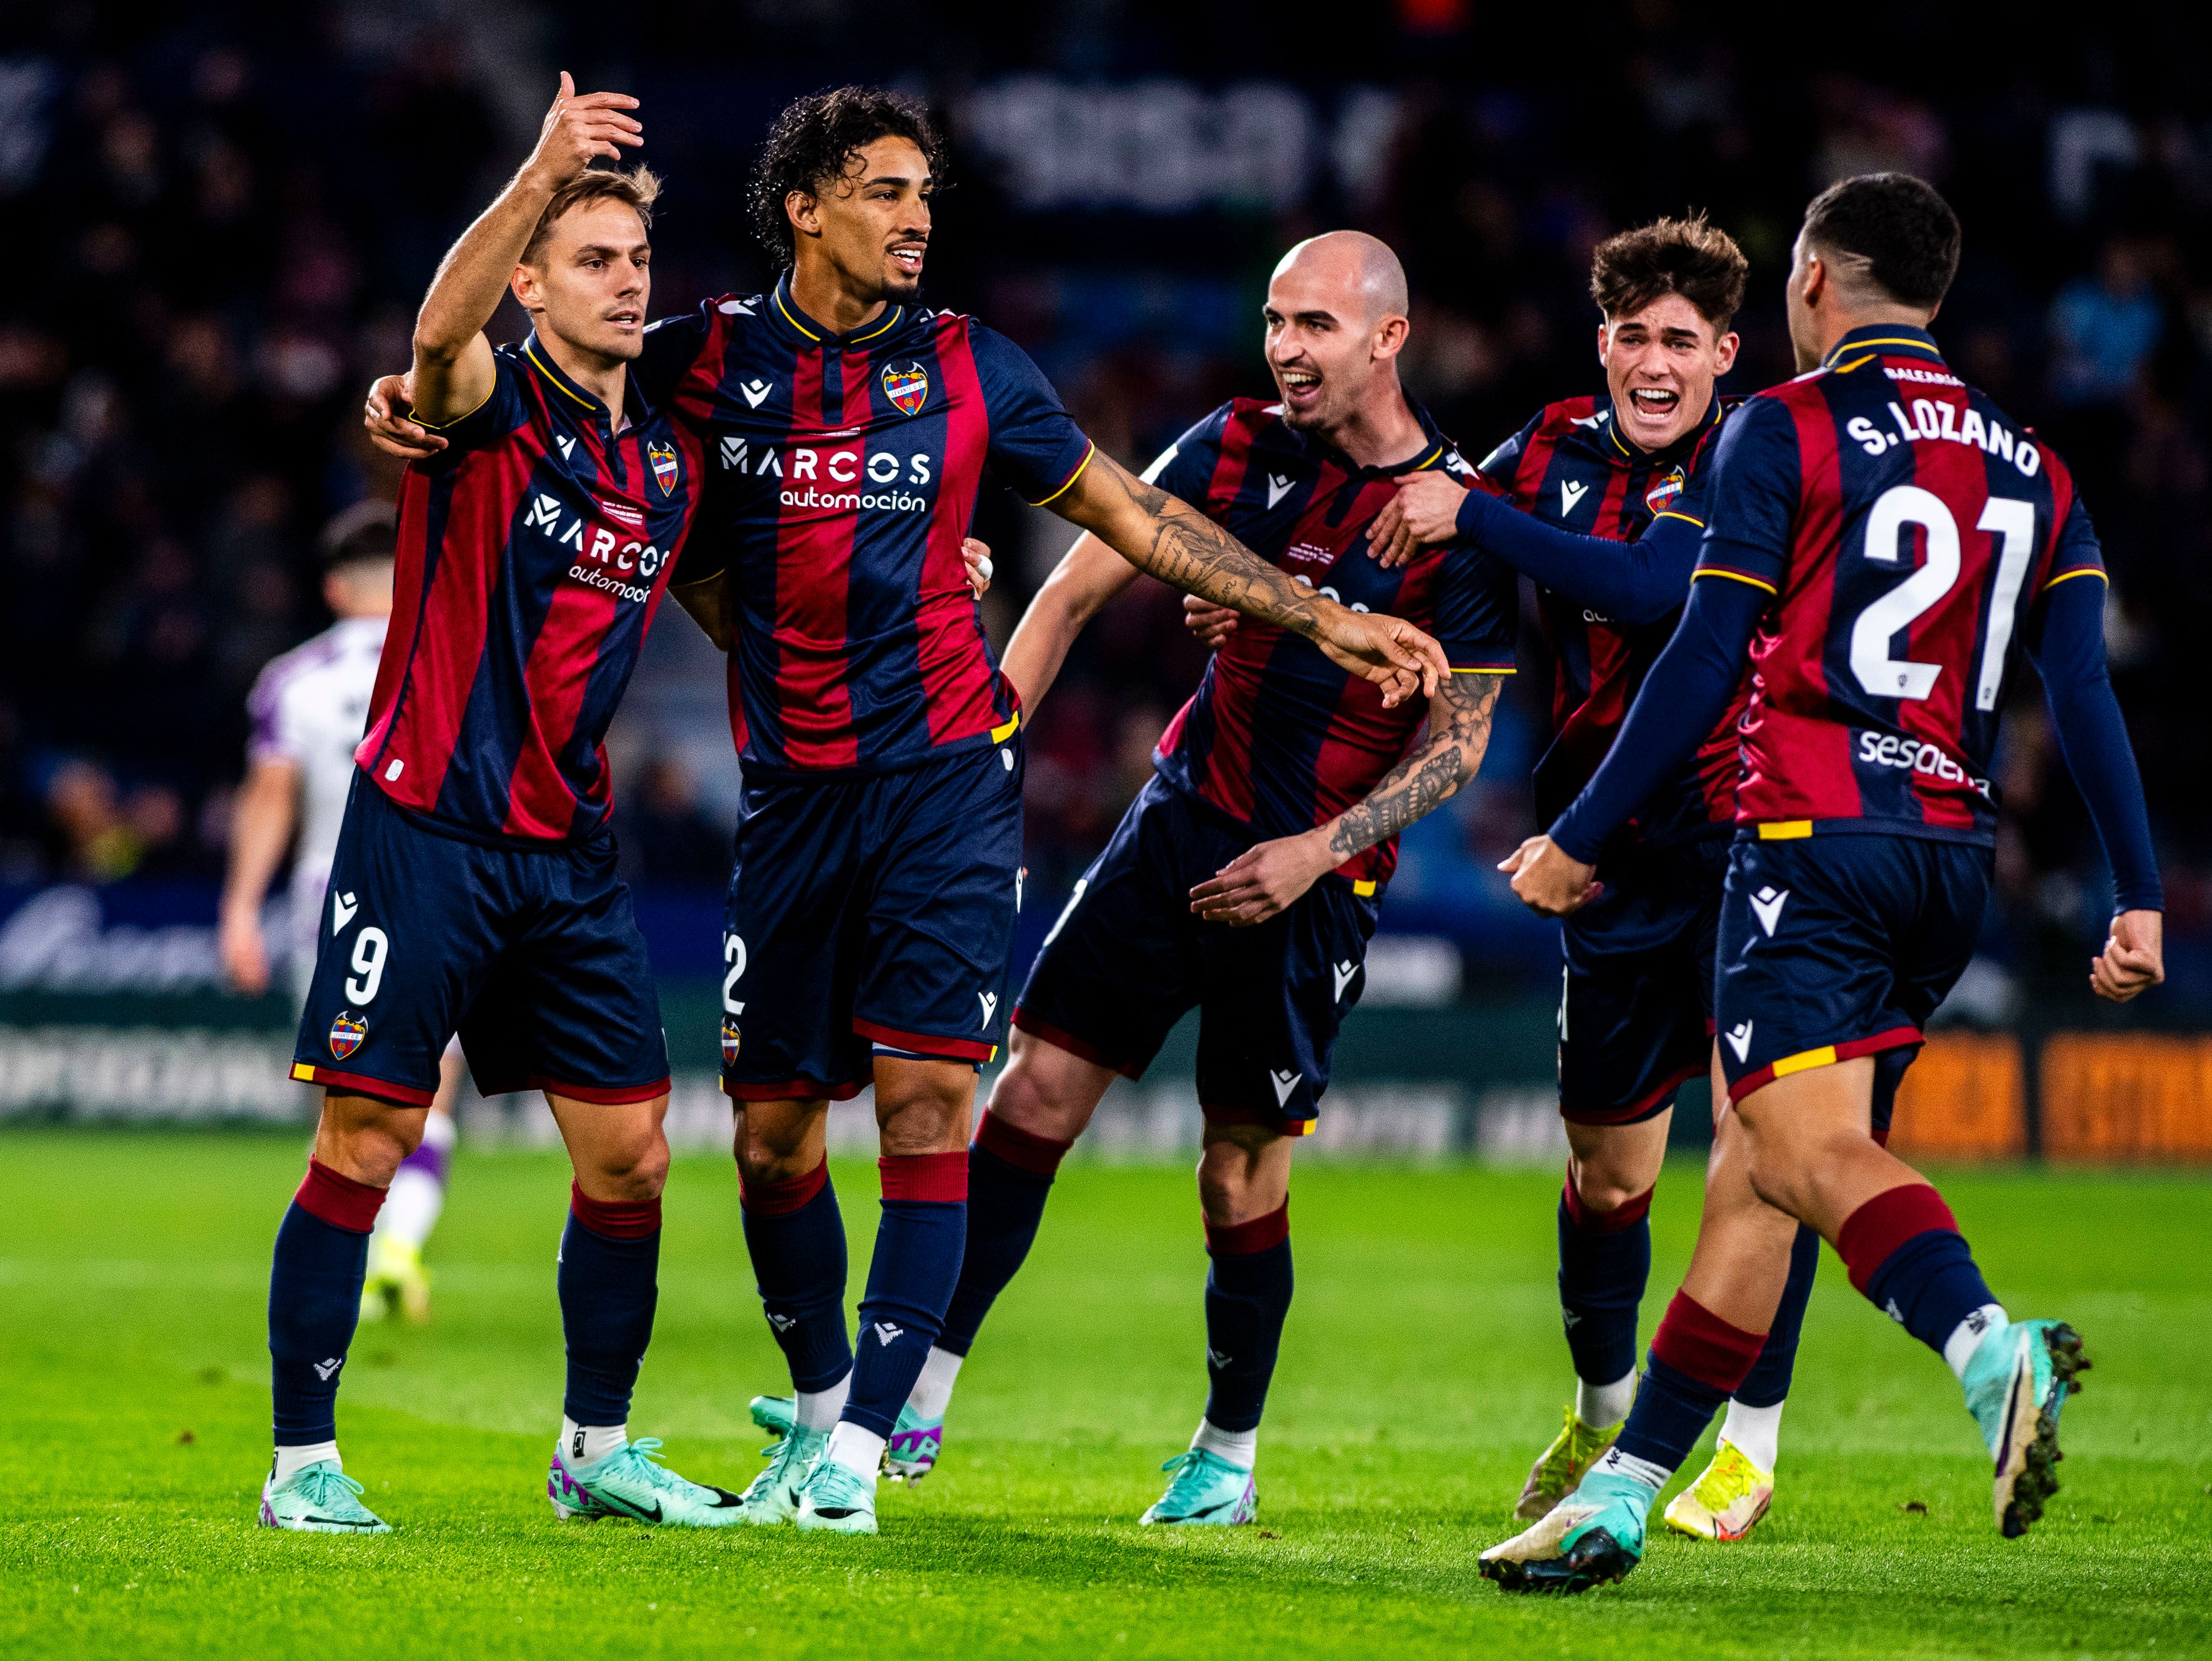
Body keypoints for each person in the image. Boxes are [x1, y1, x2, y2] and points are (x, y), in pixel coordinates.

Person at [756, 230, 1518, 1525]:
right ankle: (920, 1397)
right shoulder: (1227, 445)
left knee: (1238, 1172)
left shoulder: (1455, 519)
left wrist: (1317, 852)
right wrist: (976, 770)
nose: (1283, 348)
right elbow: (1063, 597)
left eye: (1315, 325)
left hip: (1313, 876)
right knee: (1029, 1095)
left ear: (1388, 337)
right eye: (1274, 320)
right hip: (1176, 822)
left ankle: (1224, 1454)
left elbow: (1461, 741)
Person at [1480, 172, 2162, 1594]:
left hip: (1811, 841)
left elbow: (1699, 656)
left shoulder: (1778, 427)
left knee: (1792, 1154)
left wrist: (1580, 836)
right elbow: (2081, 691)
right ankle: (1620, 1493)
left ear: (1807, 282)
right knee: (1752, 1179)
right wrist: (2134, 891)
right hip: (1950, 859)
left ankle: (1988, 1345)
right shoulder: (2029, 459)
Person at [260, 76, 744, 1535]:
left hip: (566, 850)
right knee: (361, 1139)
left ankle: (592, 1450)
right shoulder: (480, 403)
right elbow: (432, 337)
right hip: (425, 830)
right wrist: (536, 176)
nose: (621, 284)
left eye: (635, 263)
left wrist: (944, 589)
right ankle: (301, 1467)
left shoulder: (666, 458)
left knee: (634, 1153)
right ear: (531, 278)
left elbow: (746, 606)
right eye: (590, 260)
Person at [1361, 217, 1825, 1540]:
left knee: (1766, 1153)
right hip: (1604, 862)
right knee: (1609, 1175)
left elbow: (1646, 588)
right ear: (1602, 343)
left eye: (1680, 340)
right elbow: (1416, 533)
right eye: (1631, 336)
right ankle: (1602, 1399)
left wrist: (1477, 512)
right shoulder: (1549, 447)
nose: (1653, 362)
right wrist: (1305, 605)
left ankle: (1746, 1447)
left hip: (1750, 842)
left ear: (1724, 353)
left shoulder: (1756, 450)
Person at [221, 503, 463, 1326]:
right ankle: (400, 1250)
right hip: (438, 887)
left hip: (329, 896)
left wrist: (239, 911)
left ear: (332, 586)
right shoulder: (453, 660)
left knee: (341, 1096)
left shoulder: (293, 680)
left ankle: (349, 1262)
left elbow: (270, 798)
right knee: (432, 1089)